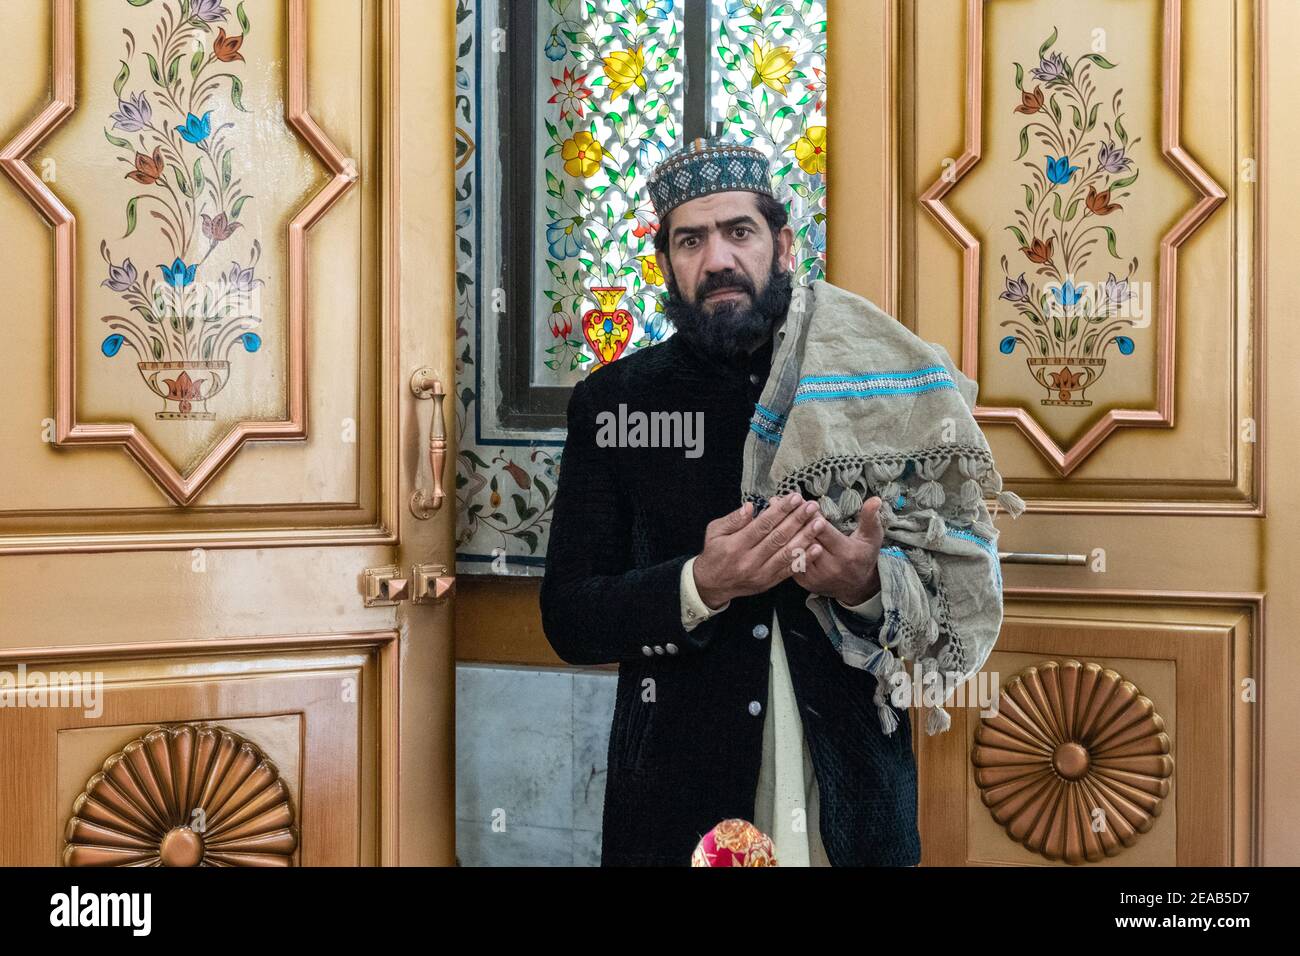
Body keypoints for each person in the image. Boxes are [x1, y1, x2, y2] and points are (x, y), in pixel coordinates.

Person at [540, 138, 921, 866]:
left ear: (781, 244)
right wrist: (700, 585)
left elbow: (947, 592)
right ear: (666, 263)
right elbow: (569, 619)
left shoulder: (868, 386)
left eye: (738, 232)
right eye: (691, 240)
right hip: (680, 798)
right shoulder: (615, 403)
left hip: (853, 789)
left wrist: (865, 588)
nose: (717, 259)